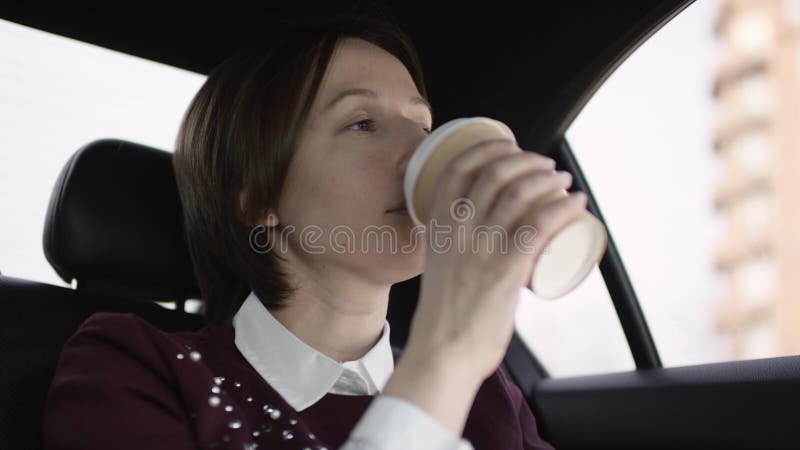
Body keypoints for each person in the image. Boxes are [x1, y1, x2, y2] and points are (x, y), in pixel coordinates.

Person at [43, 11, 584, 450]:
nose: (421, 151)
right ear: (259, 201)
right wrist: (445, 359)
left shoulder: (487, 392)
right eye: (362, 124)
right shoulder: (135, 365)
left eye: (423, 126)